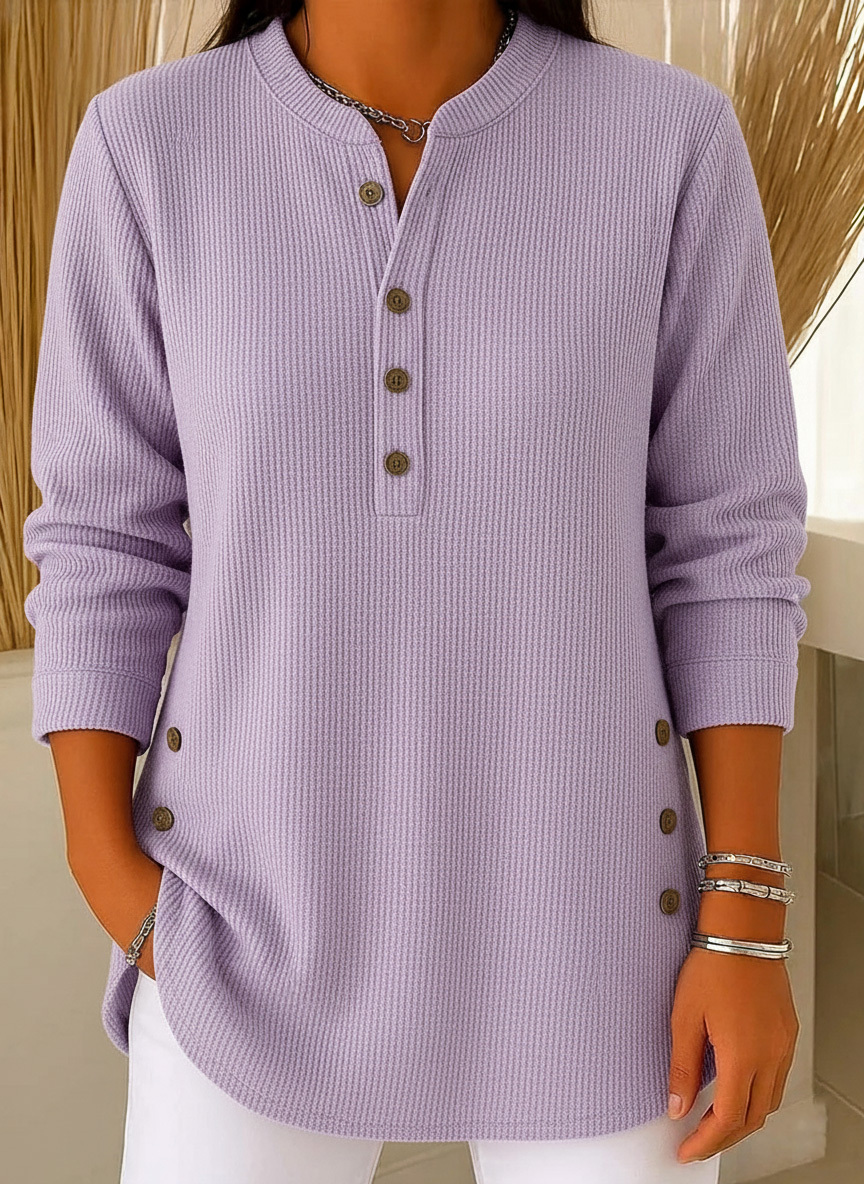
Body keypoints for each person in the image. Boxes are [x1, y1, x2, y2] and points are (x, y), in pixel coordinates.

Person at [22, 1, 810, 1181]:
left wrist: (745, 918)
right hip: (237, 934)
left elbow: (728, 548)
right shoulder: (148, 144)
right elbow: (102, 544)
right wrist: (115, 879)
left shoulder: (668, 140)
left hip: (599, 947)